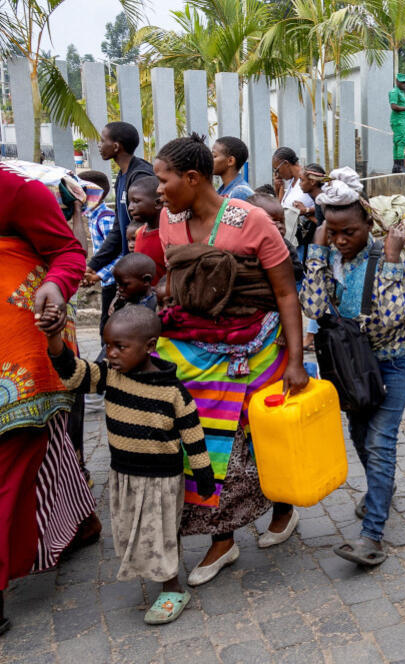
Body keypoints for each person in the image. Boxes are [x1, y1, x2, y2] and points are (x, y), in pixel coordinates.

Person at [153, 134, 309, 586]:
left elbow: (285, 293)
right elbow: (177, 280)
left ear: (193, 177)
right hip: (196, 350)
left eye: (164, 180)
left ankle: (282, 505)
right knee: (210, 444)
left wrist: (295, 361)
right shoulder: (168, 220)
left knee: (260, 437)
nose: (159, 189)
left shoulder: (252, 220)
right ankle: (224, 537)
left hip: (256, 348)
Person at [41, 305, 215, 625]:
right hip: (124, 474)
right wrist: (54, 337)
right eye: (108, 345)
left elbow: (194, 436)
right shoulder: (110, 373)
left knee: (161, 531)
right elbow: (75, 374)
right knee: (133, 527)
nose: (112, 354)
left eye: (120, 347)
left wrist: (205, 476)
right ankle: (151, 569)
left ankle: (172, 586)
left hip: (161, 479)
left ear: (149, 346)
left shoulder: (173, 392)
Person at [0, 162, 97, 636]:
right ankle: (78, 525)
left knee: (22, 462)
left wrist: (56, 287)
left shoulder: (13, 188)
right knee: (51, 451)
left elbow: (66, 252)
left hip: (22, 349)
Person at [298, 168, 405, 565]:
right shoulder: (327, 255)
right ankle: (383, 488)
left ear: (368, 222)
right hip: (349, 365)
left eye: (349, 231)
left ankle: (372, 535)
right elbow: (313, 308)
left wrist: (395, 261)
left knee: (381, 442)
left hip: (393, 360)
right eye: (332, 232)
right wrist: (316, 252)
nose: (341, 240)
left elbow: (393, 317)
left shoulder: (388, 255)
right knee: (362, 437)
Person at [84, 122, 154, 304]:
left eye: (102, 140)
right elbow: (119, 230)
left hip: (141, 271)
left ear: (116, 146)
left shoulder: (140, 176)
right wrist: (93, 265)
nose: (99, 145)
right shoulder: (122, 177)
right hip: (127, 269)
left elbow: (149, 225)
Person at [78, 170, 119, 331]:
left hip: (114, 282)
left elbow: (119, 255)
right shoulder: (93, 217)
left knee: (107, 328)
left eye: (79, 191)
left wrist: (98, 275)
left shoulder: (105, 219)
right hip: (107, 281)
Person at [126, 175, 167, 286]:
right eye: (130, 202)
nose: (130, 207)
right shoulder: (139, 233)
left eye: (136, 201)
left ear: (158, 203)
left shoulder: (167, 236)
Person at [272, 147, 314, 214]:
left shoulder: (308, 179)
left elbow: (324, 204)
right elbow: (281, 211)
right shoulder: (292, 182)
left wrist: (307, 210)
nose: (276, 174)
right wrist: (279, 190)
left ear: (286, 163)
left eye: (277, 170)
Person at [213, 136, 255, 202]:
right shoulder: (223, 190)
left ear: (230, 161)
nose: (210, 160)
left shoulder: (239, 193)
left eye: (214, 156)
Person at [389, 73, 405, 173]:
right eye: (402, 82)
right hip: (398, 120)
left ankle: (396, 166)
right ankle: (399, 166)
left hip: (402, 120)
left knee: (398, 141)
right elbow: (394, 106)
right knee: (401, 142)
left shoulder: (401, 92)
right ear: (397, 81)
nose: (404, 84)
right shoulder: (394, 92)